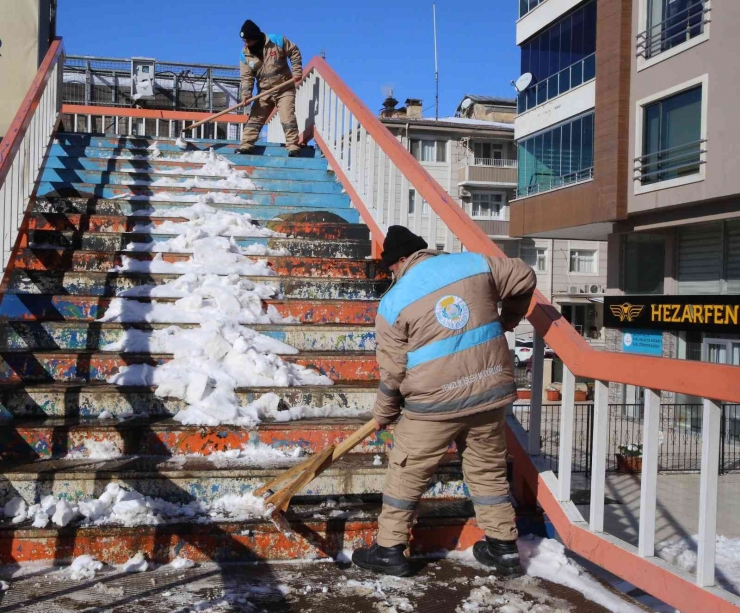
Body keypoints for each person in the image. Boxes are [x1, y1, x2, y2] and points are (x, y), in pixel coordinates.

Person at [352, 226, 537, 578]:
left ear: (402, 260)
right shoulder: (475, 264)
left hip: (434, 406)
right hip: (488, 393)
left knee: (406, 473)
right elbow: (525, 276)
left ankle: (389, 549)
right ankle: (503, 548)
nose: (392, 273)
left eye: (392, 267)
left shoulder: (393, 301)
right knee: (487, 471)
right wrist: (507, 320)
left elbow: (392, 372)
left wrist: (385, 412)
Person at [236, 20, 302, 156]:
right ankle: (246, 146)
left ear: (255, 37)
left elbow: (294, 51)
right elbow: (247, 77)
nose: (246, 44)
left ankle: (293, 147)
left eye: (248, 41)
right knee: (255, 118)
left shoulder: (277, 40)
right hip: (264, 92)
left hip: (284, 88)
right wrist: (246, 94)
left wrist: (297, 71)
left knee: (287, 116)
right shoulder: (245, 55)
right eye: (244, 41)